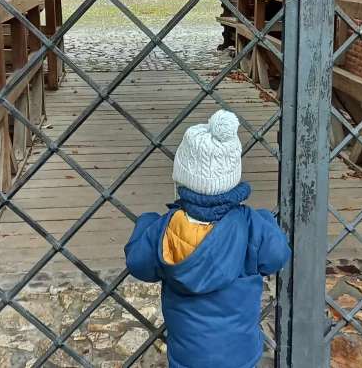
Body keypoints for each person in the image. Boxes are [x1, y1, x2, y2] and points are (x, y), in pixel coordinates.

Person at [124, 110, 291, 368]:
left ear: (182, 177)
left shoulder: (165, 228)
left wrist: (146, 222)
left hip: (187, 356)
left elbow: (138, 264)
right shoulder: (251, 225)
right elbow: (277, 256)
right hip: (239, 353)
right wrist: (266, 218)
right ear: (232, 177)